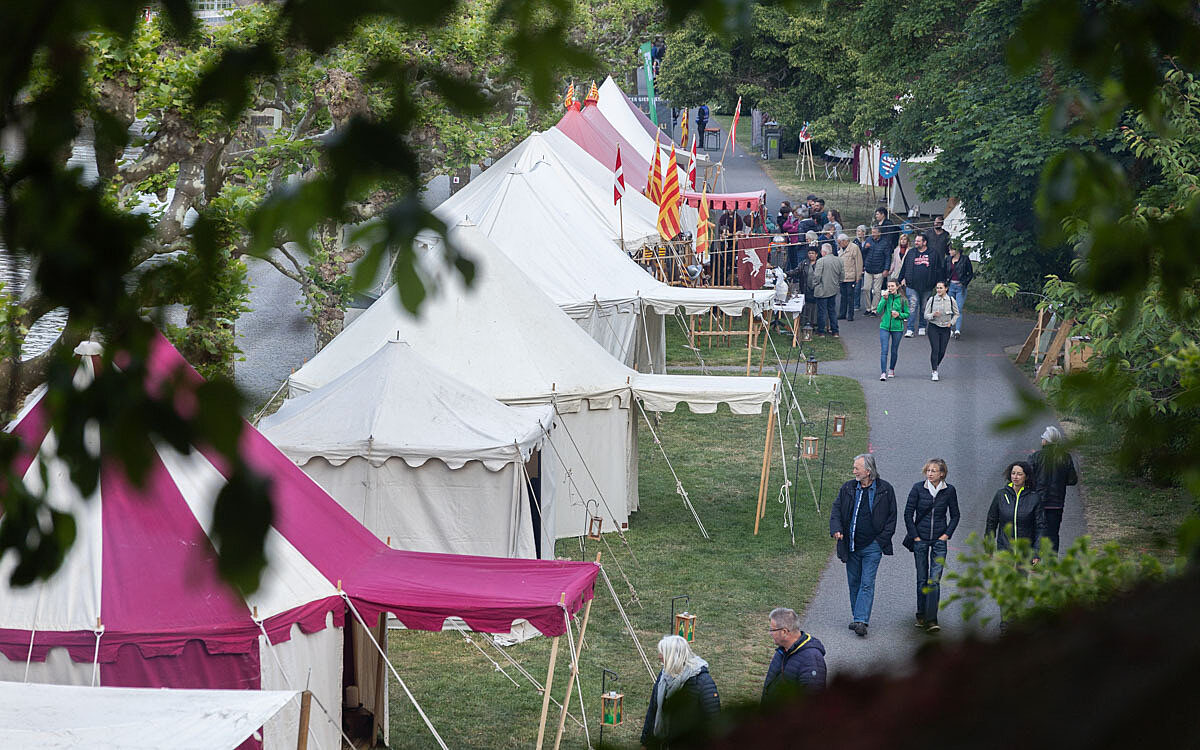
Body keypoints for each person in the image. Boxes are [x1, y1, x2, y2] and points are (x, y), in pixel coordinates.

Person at [830, 453, 898, 637]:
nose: (853, 471)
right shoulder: (848, 488)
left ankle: (861, 620)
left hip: (873, 546)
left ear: (868, 471)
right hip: (851, 545)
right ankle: (857, 616)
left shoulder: (885, 490)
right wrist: (836, 529)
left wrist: (881, 540)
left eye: (856, 468)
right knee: (854, 582)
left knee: (867, 583)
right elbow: (836, 510)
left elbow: (892, 518)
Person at [903, 458, 961, 632]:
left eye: (934, 471)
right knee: (922, 579)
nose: (930, 473)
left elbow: (955, 515)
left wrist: (946, 535)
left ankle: (931, 620)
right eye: (928, 470)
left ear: (942, 473)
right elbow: (908, 514)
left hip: (939, 541)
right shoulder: (918, 488)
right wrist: (915, 537)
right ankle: (921, 614)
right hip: (920, 539)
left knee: (934, 580)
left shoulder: (949, 491)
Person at [641, 635, 720, 749]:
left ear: (673, 656)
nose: (659, 657)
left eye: (662, 653)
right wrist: (646, 743)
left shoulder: (702, 682)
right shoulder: (663, 676)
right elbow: (653, 710)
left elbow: (714, 721)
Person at [1029, 425, 1079, 553]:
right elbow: (1072, 480)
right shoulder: (1065, 457)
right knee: (1053, 534)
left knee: (1035, 532)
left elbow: (1028, 478)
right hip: (1057, 503)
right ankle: (1052, 564)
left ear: (1045, 441)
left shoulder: (1035, 457)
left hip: (1038, 502)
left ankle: (1034, 560)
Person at [762, 607, 826, 702]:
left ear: (784, 632)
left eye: (772, 630)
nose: (770, 633)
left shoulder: (812, 659)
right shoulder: (782, 650)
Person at [985, 461, 1047, 558]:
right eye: (1013, 473)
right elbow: (991, 521)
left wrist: (1037, 552)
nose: (1015, 477)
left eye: (1019, 474)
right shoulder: (1001, 495)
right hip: (1004, 550)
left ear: (1026, 477)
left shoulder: (1034, 498)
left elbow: (1041, 526)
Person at [897, 232, 942, 338]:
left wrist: (939, 282)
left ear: (925, 242)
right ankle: (910, 329)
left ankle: (922, 326)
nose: (916, 242)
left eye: (918, 241)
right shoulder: (911, 253)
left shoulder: (933, 254)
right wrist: (900, 279)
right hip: (912, 285)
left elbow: (938, 269)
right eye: (916, 240)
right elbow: (904, 267)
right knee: (912, 306)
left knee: (924, 307)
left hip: (927, 286)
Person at [924, 281, 959, 381]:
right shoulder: (932, 299)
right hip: (934, 327)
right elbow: (925, 315)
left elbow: (957, 314)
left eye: (940, 288)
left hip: (945, 328)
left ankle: (936, 364)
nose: (938, 290)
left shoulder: (951, 300)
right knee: (935, 349)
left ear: (946, 289)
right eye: (937, 288)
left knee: (942, 352)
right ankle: (934, 371)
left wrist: (951, 323)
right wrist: (933, 315)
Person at [877, 279, 908, 380]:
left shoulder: (903, 299)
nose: (890, 288)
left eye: (892, 286)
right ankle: (883, 372)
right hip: (884, 326)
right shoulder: (886, 297)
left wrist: (899, 315)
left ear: (897, 287)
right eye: (889, 286)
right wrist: (884, 299)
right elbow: (878, 310)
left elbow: (907, 313)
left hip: (897, 328)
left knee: (894, 350)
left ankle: (891, 369)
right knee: (884, 350)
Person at [812, 243, 843, 338]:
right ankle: (835, 331)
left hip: (822, 289)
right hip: (833, 289)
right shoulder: (839, 260)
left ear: (824, 252)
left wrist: (814, 284)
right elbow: (842, 275)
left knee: (822, 311)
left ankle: (821, 331)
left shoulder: (821, 261)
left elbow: (817, 275)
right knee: (832, 310)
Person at [944, 242, 974, 339]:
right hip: (951, 285)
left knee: (958, 308)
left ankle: (957, 330)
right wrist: (945, 284)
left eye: (951, 250)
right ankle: (949, 329)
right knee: (949, 308)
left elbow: (970, 273)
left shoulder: (965, 259)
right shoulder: (948, 259)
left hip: (960, 286)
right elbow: (944, 272)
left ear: (956, 251)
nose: (949, 252)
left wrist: (964, 283)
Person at [861, 225, 889, 315]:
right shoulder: (868, 240)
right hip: (868, 269)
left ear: (879, 233)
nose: (873, 234)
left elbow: (888, 257)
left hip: (879, 269)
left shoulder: (885, 243)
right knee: (866, 288)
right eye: (872, 232)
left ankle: (874, 309)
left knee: (877, 291)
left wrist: (886, 269)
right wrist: (865, 247)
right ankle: (868, 308)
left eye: (874, 232)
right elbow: (863, 253)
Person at [837, 233, 862, 322]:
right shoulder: (840, 249)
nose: (839, 244)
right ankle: (842, 313)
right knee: (843, 296)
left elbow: (859, 262)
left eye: (840, 242)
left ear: (845, 241)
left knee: (850, 296)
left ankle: (850, 314)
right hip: (842, 277)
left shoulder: (854, 248)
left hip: (851, 277)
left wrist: (858, 276)